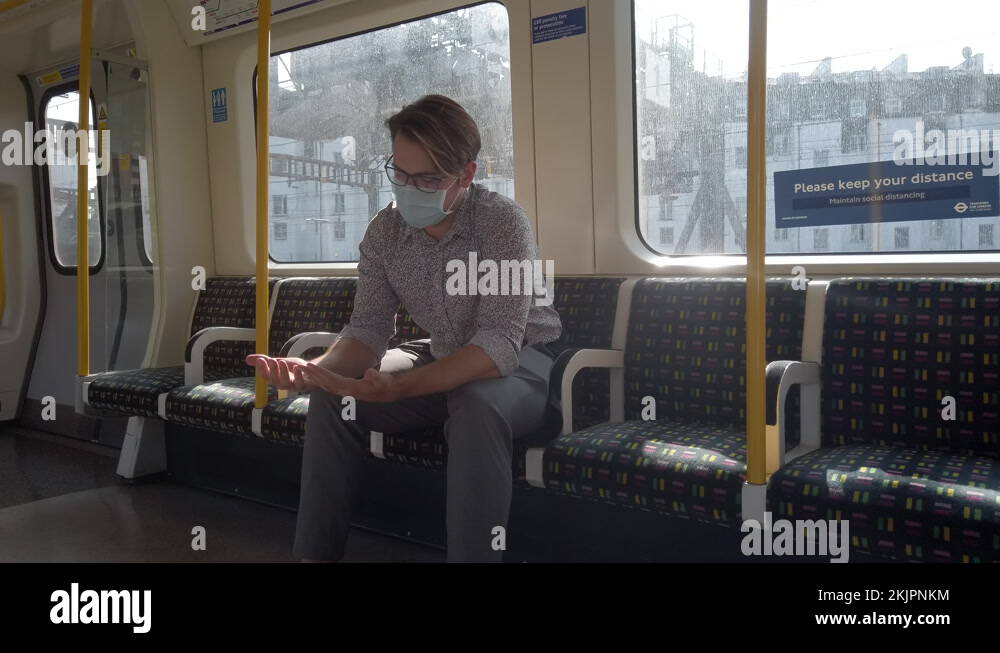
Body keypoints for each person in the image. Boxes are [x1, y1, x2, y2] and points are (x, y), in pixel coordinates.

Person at [247, 94, 561, 562]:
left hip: (522, 363)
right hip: (440, 351)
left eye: (429, 178)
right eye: (401, 174)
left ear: (466, 175)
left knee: (476, 405)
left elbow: (497, 344)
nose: (411, 189)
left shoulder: (501, 223)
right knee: (336, 398)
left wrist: (400, 388)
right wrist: (319, 372)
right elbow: (367, 330)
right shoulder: (385, 231)